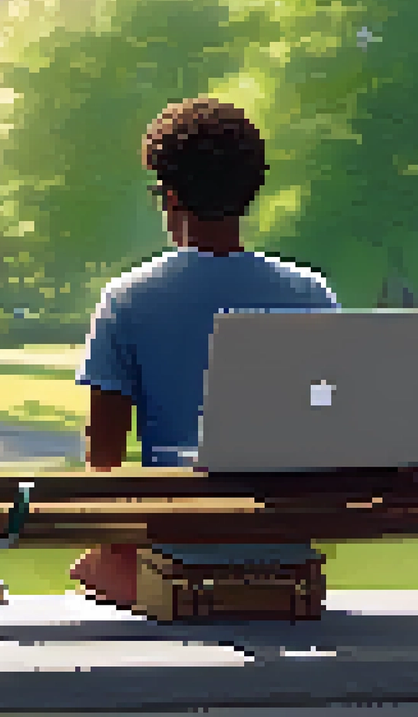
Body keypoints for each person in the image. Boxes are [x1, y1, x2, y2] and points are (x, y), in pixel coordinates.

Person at [69, 97, 340, 608]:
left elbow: (102, 462)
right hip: (284, 556)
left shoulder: (129, 298)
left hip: (179, 560)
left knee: (91, 569)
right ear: (249, 193)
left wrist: (111, 557)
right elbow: (334, 431)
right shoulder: (310, 295)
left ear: (170, 197)